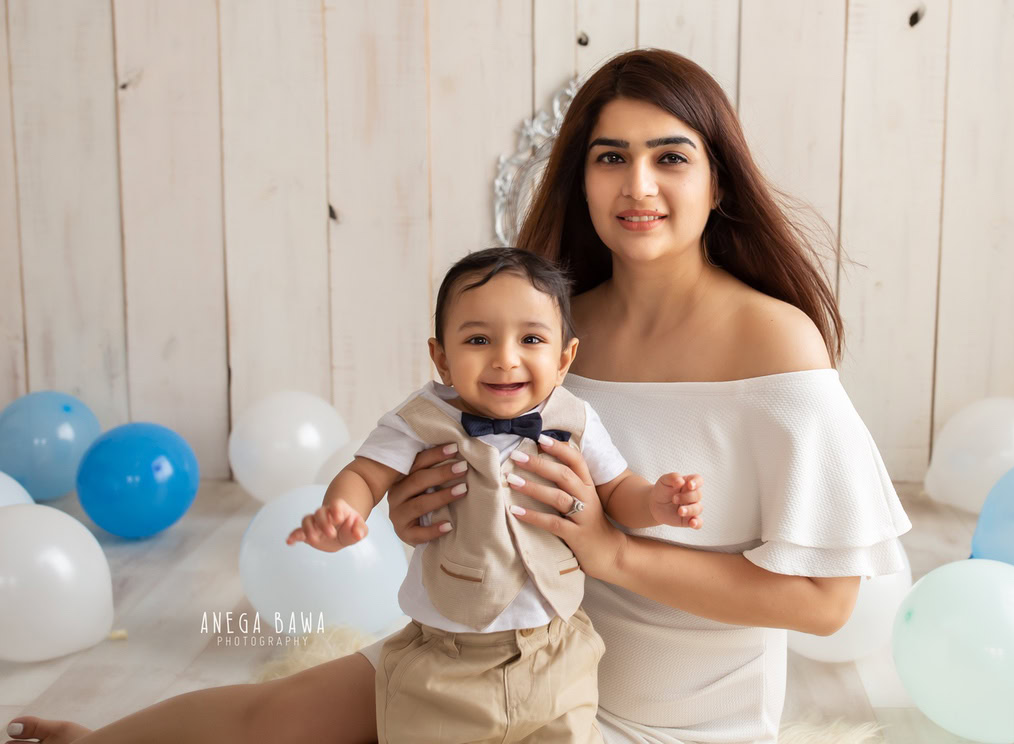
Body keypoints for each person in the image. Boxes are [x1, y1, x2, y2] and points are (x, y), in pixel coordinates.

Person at [7, 48, 910, 744]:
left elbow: (825, 601)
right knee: (276, 719)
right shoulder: (550, 333)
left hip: (650, 715)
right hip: (488, 652)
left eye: (670, 157)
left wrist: (614, 552)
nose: (639, 185)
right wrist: (422, 512)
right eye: (610, 158)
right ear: (580, 178)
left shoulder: (771, 341)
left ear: (718, 181)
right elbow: (463, 462)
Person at [287, 245, 704, 743]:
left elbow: (615, 488)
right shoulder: (421, 420)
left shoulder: (575, 419)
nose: (506, 360)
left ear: (564, 357)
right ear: (441, 357)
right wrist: (342, 510)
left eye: (530, 338)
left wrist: (655, 502)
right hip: (445, 659)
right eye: (479, 339)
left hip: (556, 650)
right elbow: (365, 475)